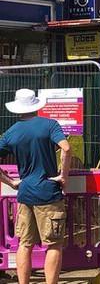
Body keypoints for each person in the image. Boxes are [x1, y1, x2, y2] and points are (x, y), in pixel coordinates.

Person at [0, 89, 71, 284]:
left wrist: (11, 182)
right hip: (48, 193)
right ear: (36, 106)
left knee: (25, 243)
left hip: (25, 194)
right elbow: (66, 148)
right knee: (54, 244)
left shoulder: (11, 133)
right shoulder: (50, 125)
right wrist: (63, 176)